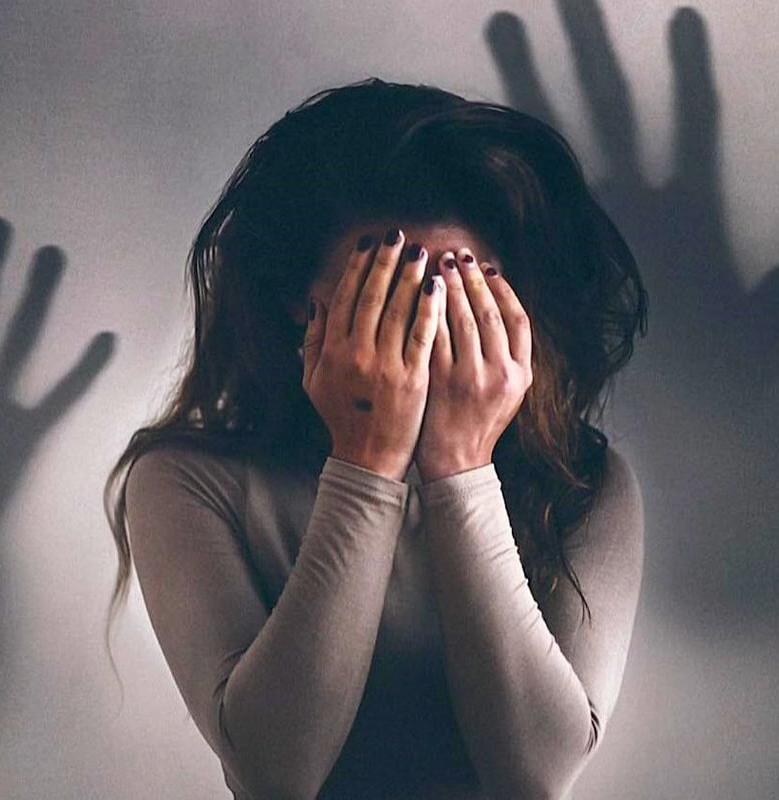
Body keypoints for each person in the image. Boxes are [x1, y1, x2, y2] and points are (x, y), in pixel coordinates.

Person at [105, 78, 647, 800]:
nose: (418, 337)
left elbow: (536, 779)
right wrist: (367, 464)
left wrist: (461, 467)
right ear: (301, 306)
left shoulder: (586, 482)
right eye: (382, 300)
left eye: (458, 299)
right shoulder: (184, 478)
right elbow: (275, 775)